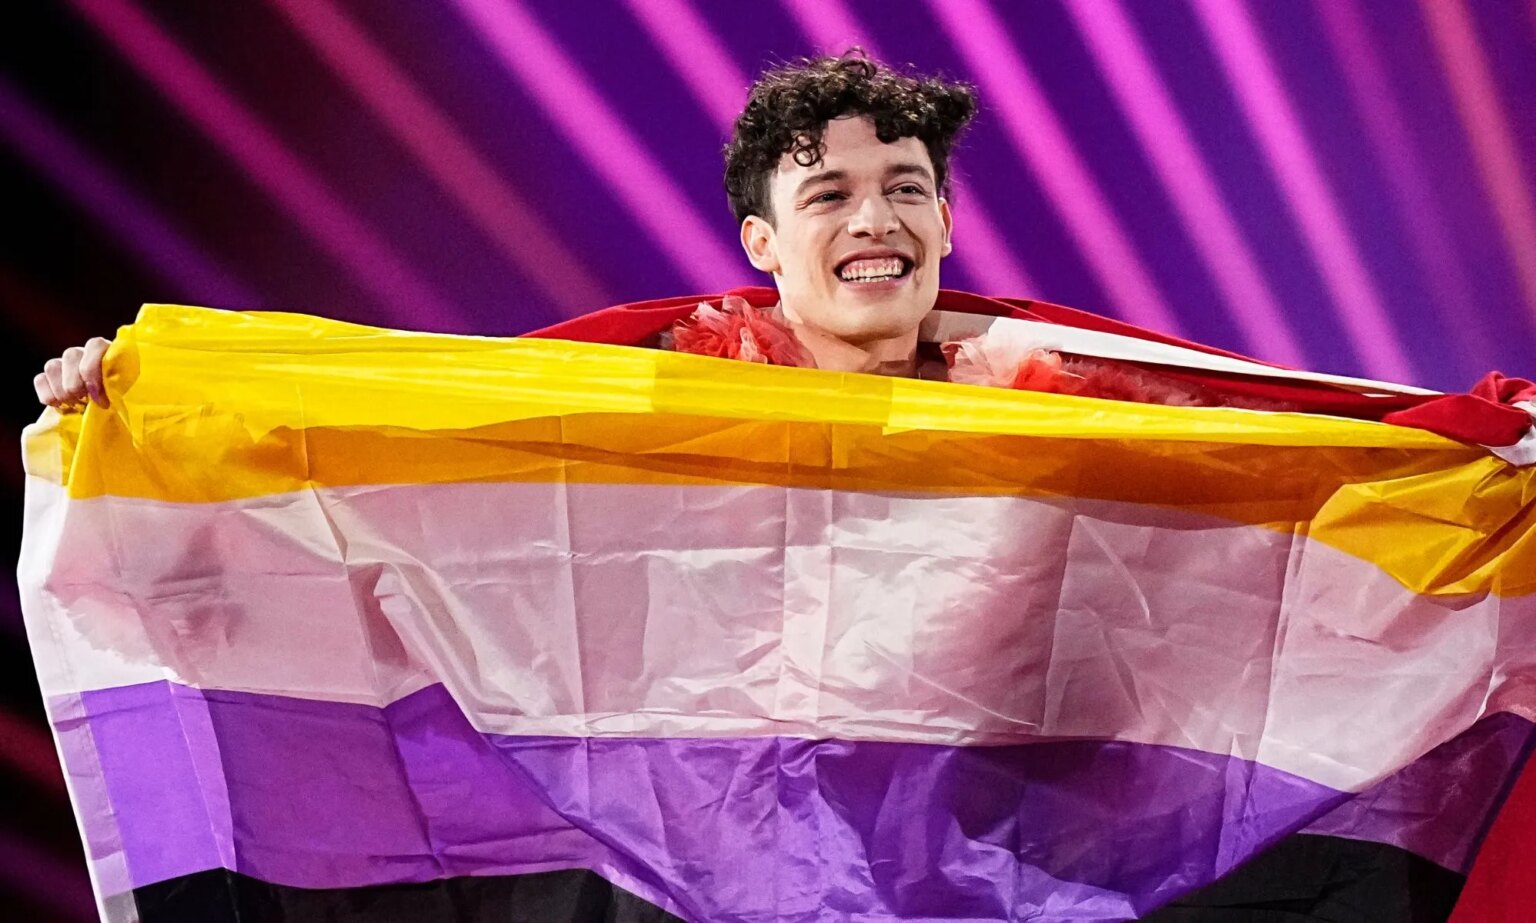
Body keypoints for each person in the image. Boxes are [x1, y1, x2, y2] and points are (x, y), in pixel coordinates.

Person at [31, 53, 1536, 446]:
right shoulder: (670, 395)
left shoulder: (1085, 395)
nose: (875, 219)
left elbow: (1305, 457)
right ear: (761, 244)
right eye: (829, 197)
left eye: (904, 189)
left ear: (946, 222)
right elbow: (419, 416)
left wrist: (1481, 446)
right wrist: (173, 401)